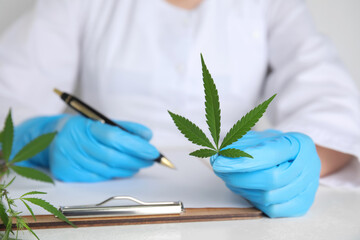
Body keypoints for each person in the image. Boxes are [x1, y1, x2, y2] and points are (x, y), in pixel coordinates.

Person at [0, 0, 359, 218]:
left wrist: (297, 159)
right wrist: (43, 141)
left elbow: (329, 101)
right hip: (104, 202)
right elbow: (9, 89)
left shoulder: (274, 5)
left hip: (230, 197)